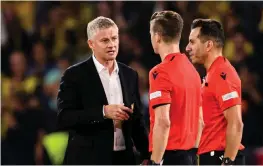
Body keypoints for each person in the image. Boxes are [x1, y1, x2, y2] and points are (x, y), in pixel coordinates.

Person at [57, 16, 149, 165]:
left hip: (123, 159)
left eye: (114, 38)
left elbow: (137, 119)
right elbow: (64, 118)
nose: (112, 45)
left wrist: (146, 154)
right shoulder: (74, 75)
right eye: (105, 40)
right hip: (88, 159)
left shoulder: (130, 74)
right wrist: (103, 112)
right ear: (91, 44)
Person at [186, 18, 245, 165]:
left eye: (192, 42)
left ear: (208, 45)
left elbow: (236, 123)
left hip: (220, 156)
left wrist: (228, 161)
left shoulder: (222, 74)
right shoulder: (213, 74)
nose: (187, 47)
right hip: (211, 156)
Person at [148, 11, 203, 165]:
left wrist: (155, 162)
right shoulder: (193, 72)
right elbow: (200, 121)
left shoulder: (160, 72)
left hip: (170, 156)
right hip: (191, 155)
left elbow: (163, 122)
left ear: (157, 36)